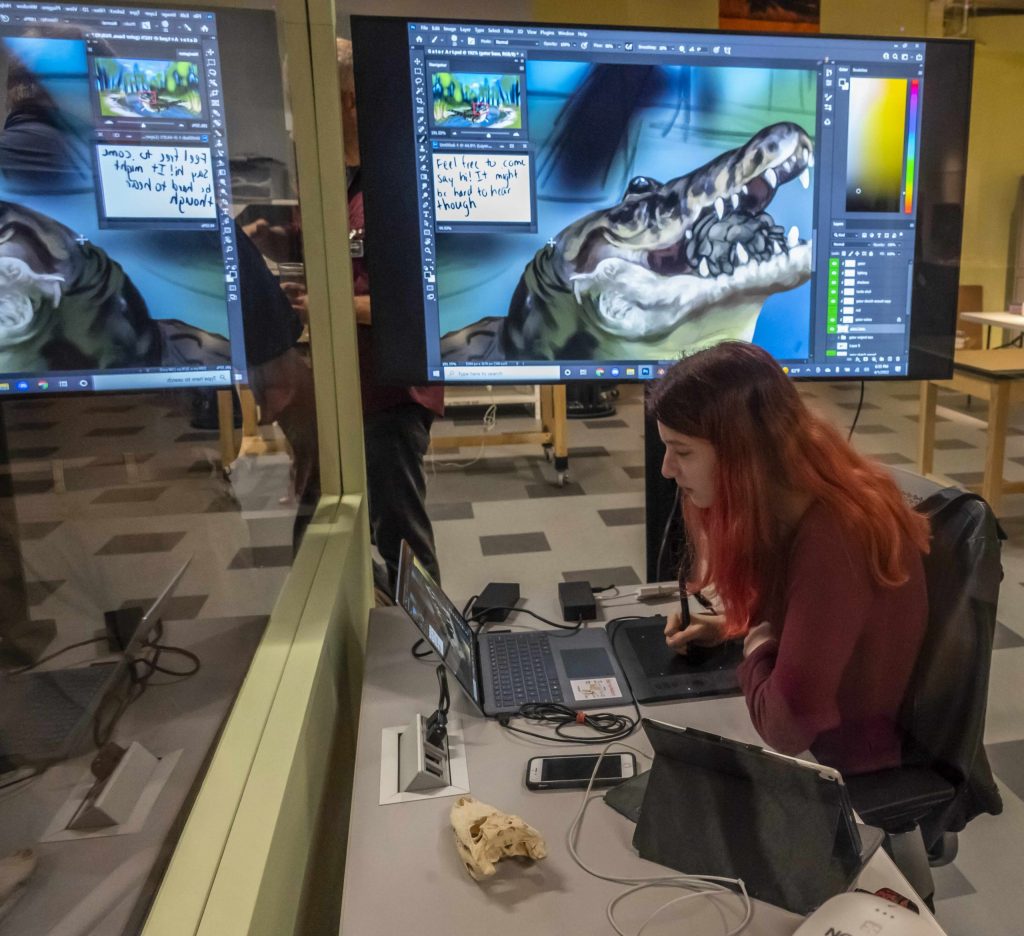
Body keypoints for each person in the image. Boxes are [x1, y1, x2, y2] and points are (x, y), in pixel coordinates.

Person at [648, 341, 930, 776]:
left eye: (683, 451)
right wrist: (730, 628)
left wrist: (756, 642)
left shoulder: (834, 539)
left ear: (744, 454)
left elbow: (786, 728)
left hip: (842, 765)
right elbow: (818, 626)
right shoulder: (794, 504)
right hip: (827, 736)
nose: (667, 468)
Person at [250, 40, 443, 588]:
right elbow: (330, 255)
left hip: (389, 397)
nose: (298, 121)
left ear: (351, 101)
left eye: (312, 101)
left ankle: (427, 648)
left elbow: (417, 304)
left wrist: (331, 307)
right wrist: (275, 242)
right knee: (324, 525)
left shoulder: (400, 183)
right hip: (337, 392)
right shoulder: (336, 183)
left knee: (399, 535)